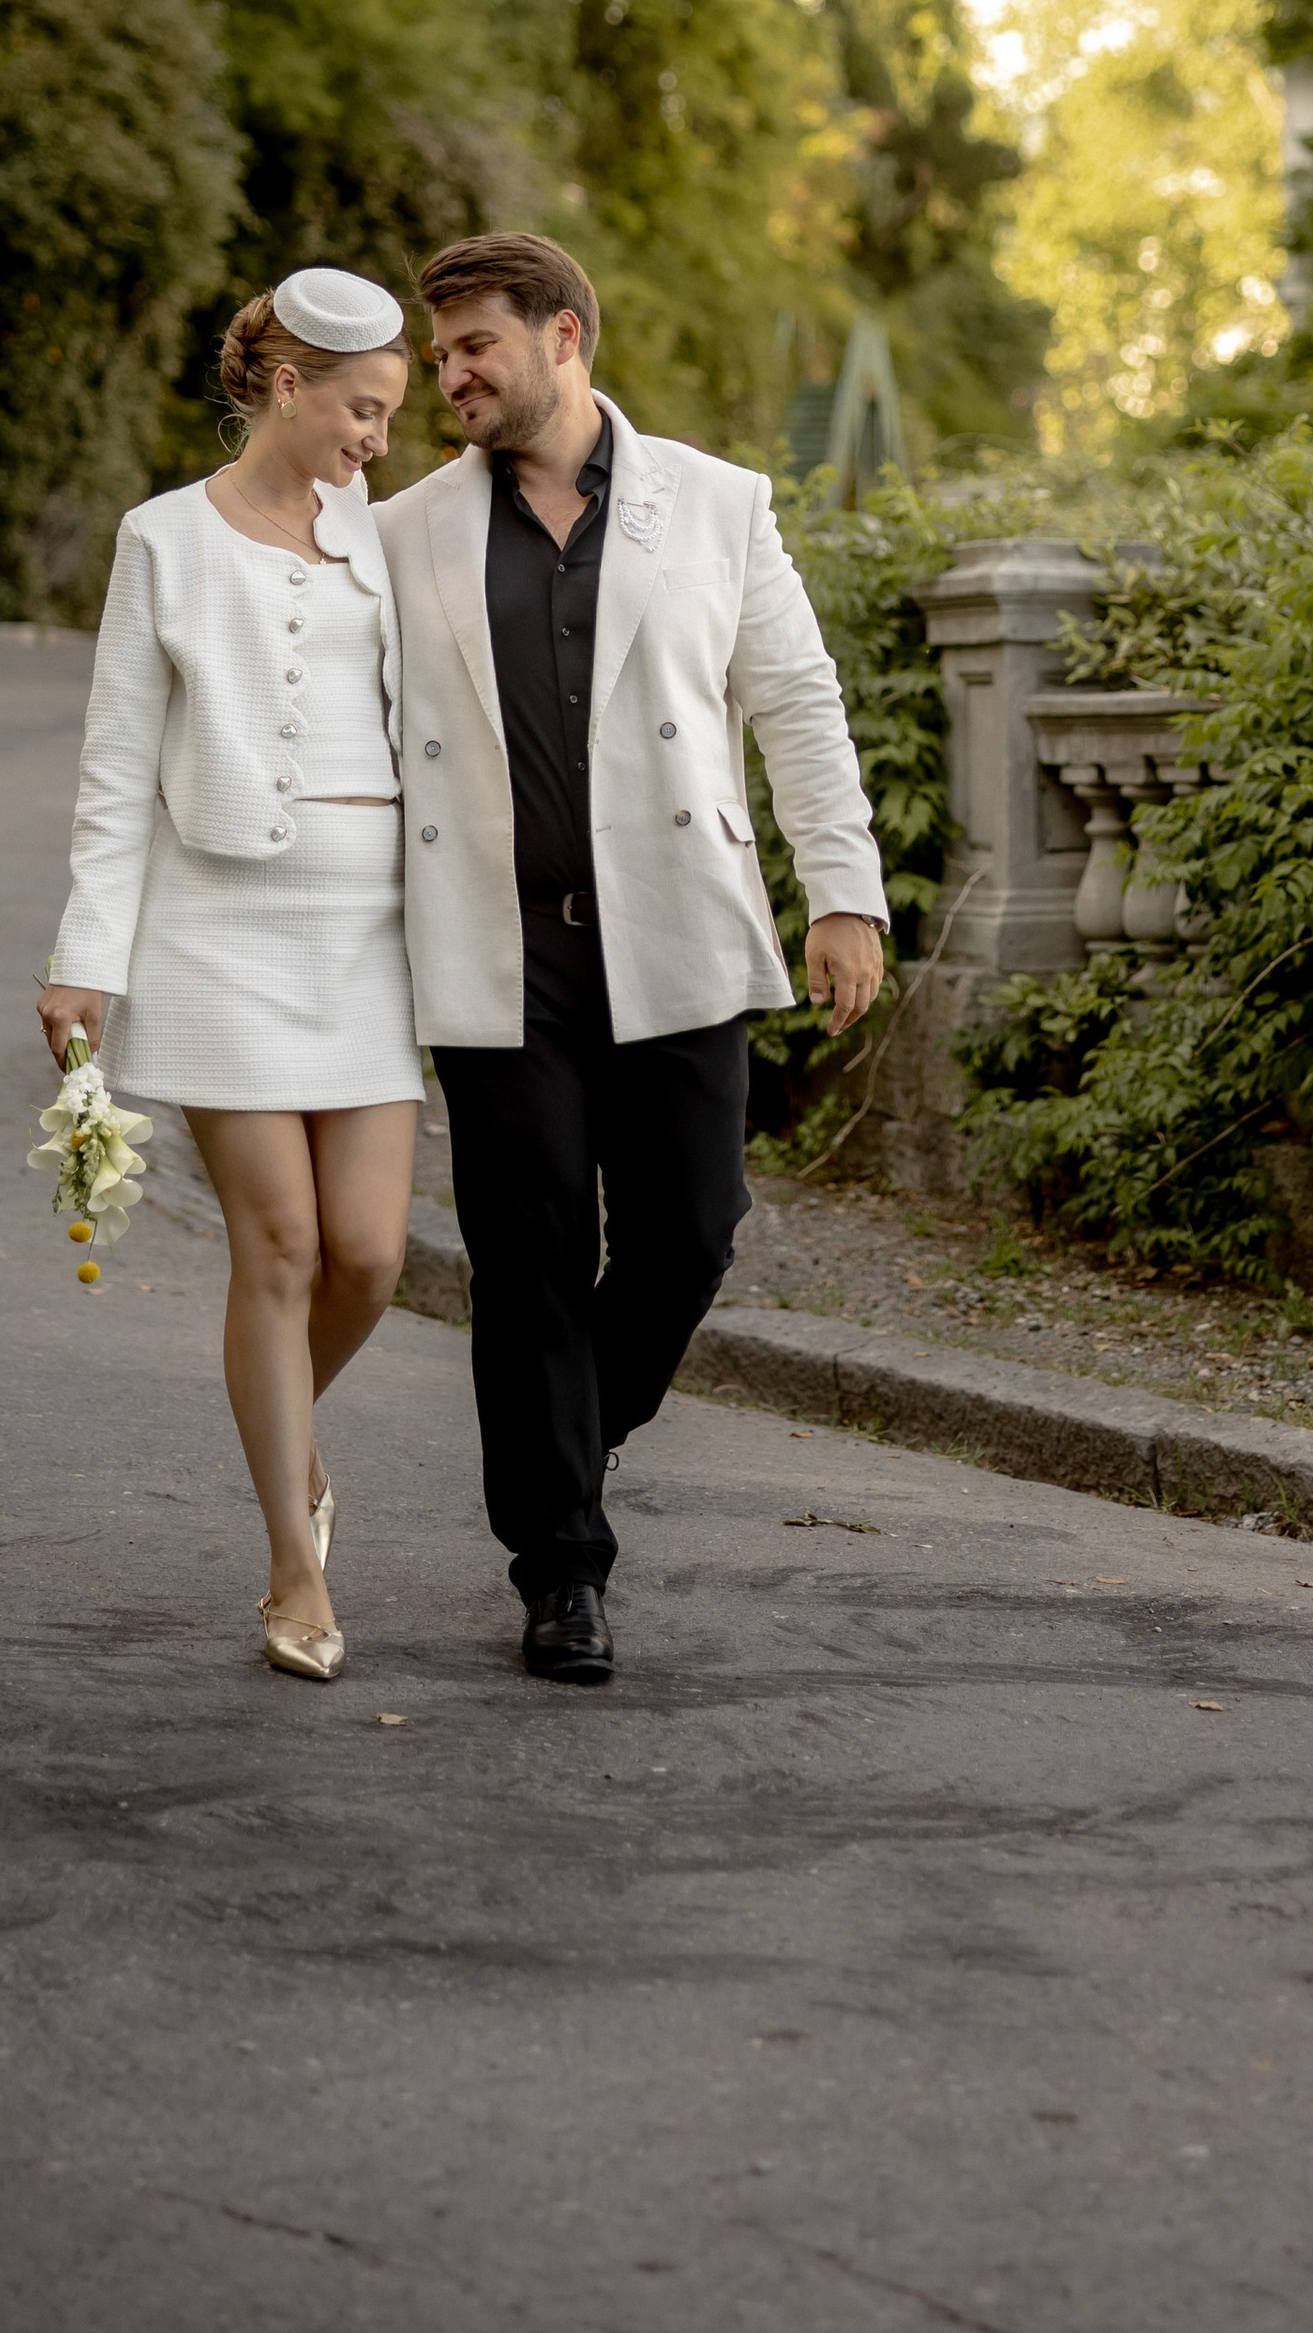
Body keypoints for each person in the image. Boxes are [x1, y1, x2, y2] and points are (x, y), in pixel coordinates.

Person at [377, 231, 888, 1686]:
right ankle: (563, 1568)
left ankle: (566, 1426)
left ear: (565, 338)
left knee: (692, 1229)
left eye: (477, 345)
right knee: (527, 1255)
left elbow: (794, 698)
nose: (452, 375)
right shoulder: (407, 529)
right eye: (440, 355)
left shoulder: (719, 506)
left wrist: (841, 889)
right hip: (498, 945)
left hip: (674, 926)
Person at [40, 267, 422, 1688]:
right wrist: (87, 958)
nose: (378, 439)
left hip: (372, 937)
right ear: (287, 388)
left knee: (373, 1256)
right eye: (364, 410)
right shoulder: (163, 543)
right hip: (217, 931)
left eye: (391, 414)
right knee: (283, 1250)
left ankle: (285, 1438)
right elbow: (115, 764)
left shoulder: (391, 545)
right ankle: (291, 1558)